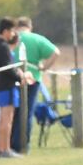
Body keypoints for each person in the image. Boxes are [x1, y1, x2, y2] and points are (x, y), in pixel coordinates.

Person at [10, 17, 60, 153]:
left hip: (12, 77)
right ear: (30, 27)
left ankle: (10, 143)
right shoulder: (37, 39)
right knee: (27, 112)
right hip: (33, 78)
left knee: (12, 112)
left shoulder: (12, 38)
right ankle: (23, 144)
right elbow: (56, 52)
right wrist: (44, 67)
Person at [0, 18, 31, 159]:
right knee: (7, 119)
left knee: (4, 118)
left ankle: (2, 148)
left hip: (3, 85)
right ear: (5, 31)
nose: (13, 33)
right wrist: (20, 78)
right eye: (12, 30)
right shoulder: (3, 47)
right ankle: (5, 149)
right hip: (7, 86)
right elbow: (8, 69)